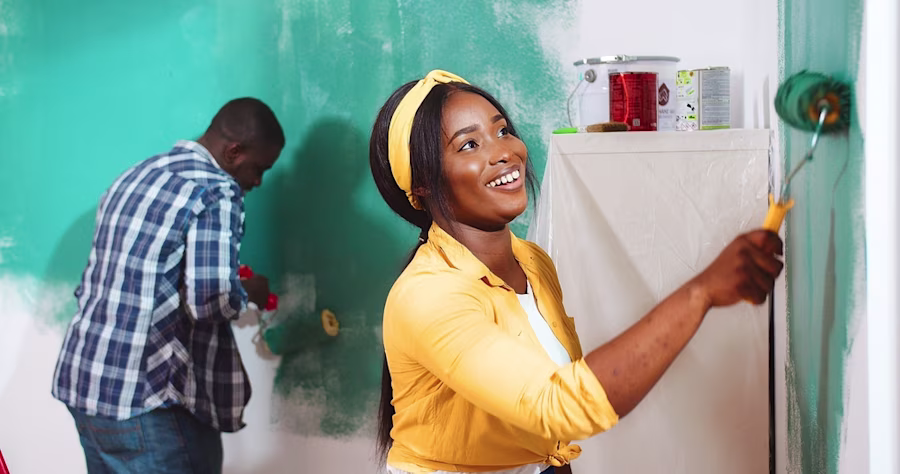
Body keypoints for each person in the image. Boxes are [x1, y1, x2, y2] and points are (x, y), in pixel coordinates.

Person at [369, 70, 784, 474]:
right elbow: (557, 406)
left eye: (502, 131)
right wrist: (700, 292)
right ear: (422, 185)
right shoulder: (428, 296)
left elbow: (550, 437)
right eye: (469, 145)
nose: (503, 152)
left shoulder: (531, 261)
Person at [51, 98, 284, 473]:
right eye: (259, 169)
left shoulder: (137, 174)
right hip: (145, 401)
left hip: (86, 385)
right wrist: (250, 292)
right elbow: (210, 300)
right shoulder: (217, 190)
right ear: (233, 151)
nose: (256, 181)